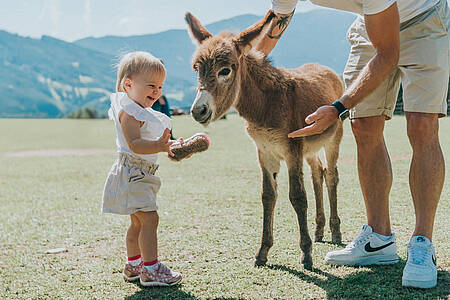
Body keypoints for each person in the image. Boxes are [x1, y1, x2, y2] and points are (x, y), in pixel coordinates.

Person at [257, 0, 448, 289]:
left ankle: (422, 243)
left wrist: (337, 107)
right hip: (371, 23)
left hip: (423, 18)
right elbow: (273, 27)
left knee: (422, 124)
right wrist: (237, 77)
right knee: (364, 124)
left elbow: (388, 54)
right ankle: (379, 239)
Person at [102, 51, 182, 286]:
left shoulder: (137, 110)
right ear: (128, 84)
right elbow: (135, 143)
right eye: (151, 85)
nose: (157, 92)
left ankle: (133, 264)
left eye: (160, 86)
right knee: (149, 220)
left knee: (137, 222)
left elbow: (147, 142)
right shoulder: (130, 114)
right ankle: (150, 269)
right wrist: (158, 145)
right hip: (133, 173)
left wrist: (167, 145)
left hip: (137, 173)